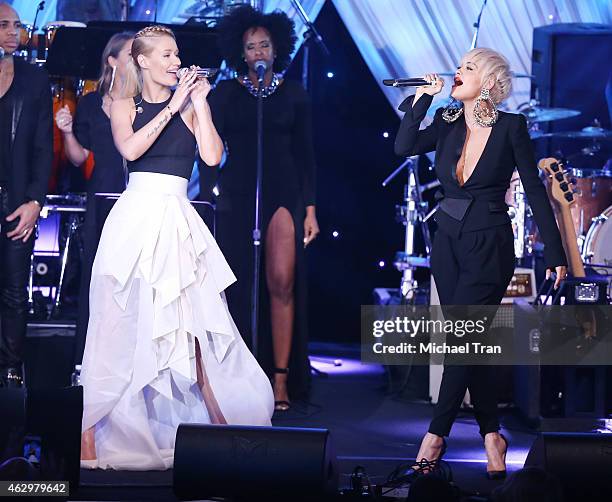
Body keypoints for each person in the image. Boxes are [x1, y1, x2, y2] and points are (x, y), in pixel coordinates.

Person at [79, 25, 274, 470]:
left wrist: (199, 105)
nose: (174, 61)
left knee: (199, 326)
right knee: (117, 327)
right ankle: (88, 439)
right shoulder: (123, 104)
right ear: (143, 60)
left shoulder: (189, 106)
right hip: (135, 221)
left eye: (177, 54)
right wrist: (170, 107)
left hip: (178, 220)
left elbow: (211, 157)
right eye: (165, 55)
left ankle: (224, 431)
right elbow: (130, 150)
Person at [394, 48, 567, 478]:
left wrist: (555, 252)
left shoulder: (511, 127)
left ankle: (435, 437)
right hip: (447, 242)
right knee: (467, 344)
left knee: (460, 342)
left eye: (468, 68)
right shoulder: (448, 120)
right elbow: (404, 146)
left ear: (489, 82)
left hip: (488, 244)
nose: (457, 72)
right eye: (459, 66)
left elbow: (534, 188)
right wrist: (422, 101)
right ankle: (493, 434)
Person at [207, 5, 319, 411]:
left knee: (281, 281)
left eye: (264, 45)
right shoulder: (224, 94)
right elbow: (209, 149)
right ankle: (238, 376)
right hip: (238, 193)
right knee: (236, 286)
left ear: (277, 49)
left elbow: (306, 155)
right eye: (250, 45)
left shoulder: (294, 93)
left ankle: (281, 379)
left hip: (285, 191)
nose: (258, 51)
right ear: (240, 51)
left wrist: (310, 208)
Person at [55, 31, 134, 369]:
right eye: (131, 53)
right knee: (99, 279)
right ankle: (90, 365)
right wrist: (67, 131)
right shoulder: (91, 103)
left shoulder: (144, 101)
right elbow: (77, 158)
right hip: (102, 196)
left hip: (137, 197)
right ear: (112, 60)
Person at [0, 2, 52, 388]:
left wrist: (35, 201)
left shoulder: (34, 80)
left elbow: (42, 148)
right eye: (3, 25)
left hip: (15, 202)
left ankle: (10, 373)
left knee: (15, 292)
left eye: (16, 25)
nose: (12, 33)